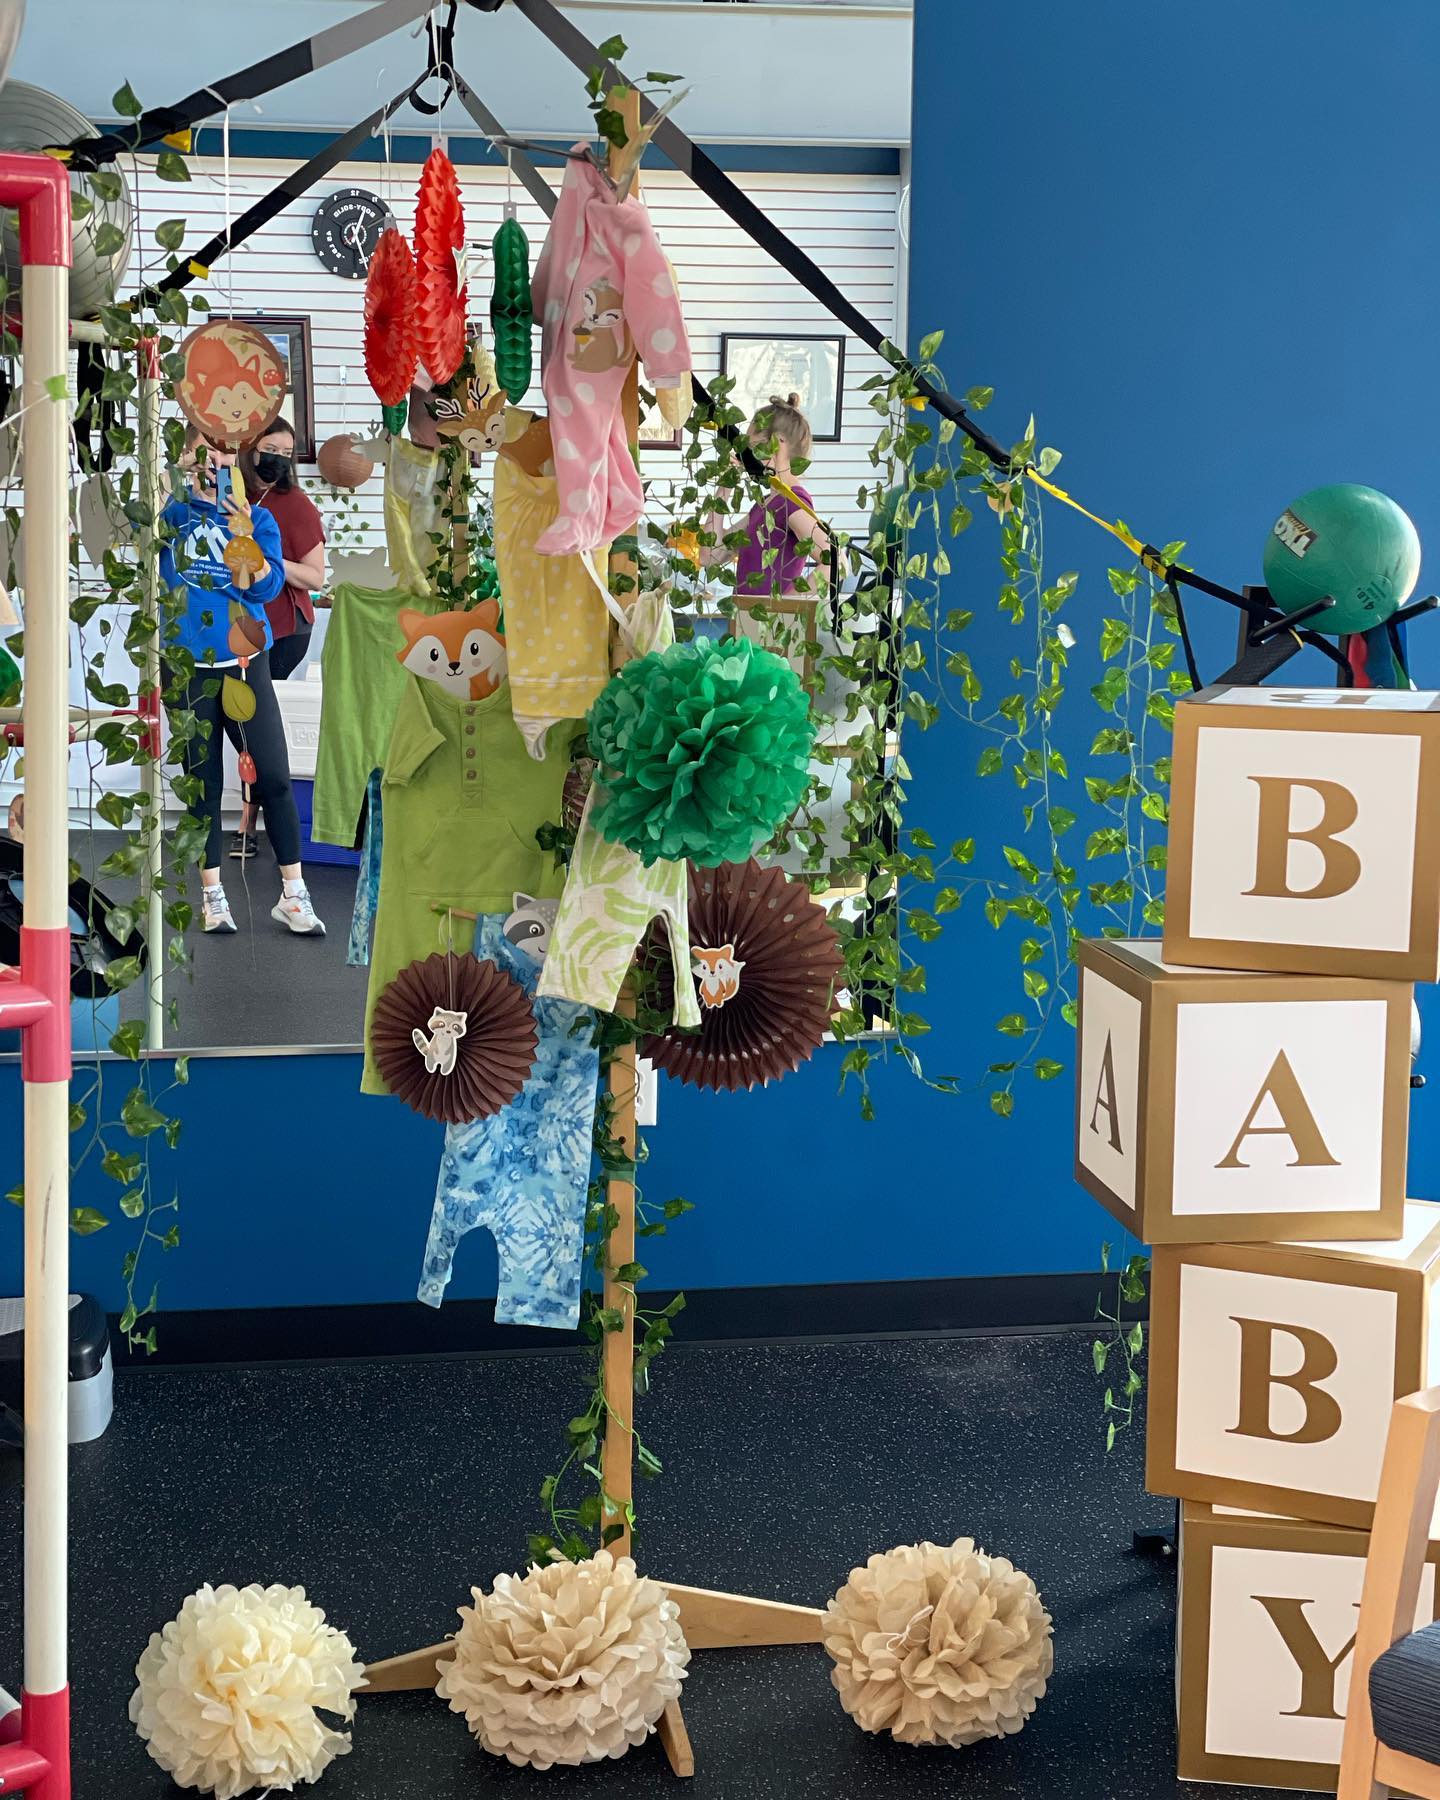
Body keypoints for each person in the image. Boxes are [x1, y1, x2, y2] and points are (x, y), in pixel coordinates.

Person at [160, 426, 326, 937]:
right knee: (203, 784)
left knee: (274, 776)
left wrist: (244, 535)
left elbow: (268, 587)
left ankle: (293, 894)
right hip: (187, 664)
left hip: (245, 662)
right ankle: (212, 895)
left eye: (224, 455)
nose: (214, 464)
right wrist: (171, 484)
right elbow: (143, 552)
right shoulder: (171, 515)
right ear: (186, 456)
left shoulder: (260, 519)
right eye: (203, 453)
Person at [231, 417, 326, 859]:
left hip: (284, 630)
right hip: (240, 630)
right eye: (271, 450)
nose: (278, 460)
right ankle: (254, 820)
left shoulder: (296, 505)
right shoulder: (234, 498)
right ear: (249, 448)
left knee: (256, 729)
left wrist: (268, 559)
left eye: (287, 454)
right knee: (242, 729)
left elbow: (315, 577)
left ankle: (252, 825)